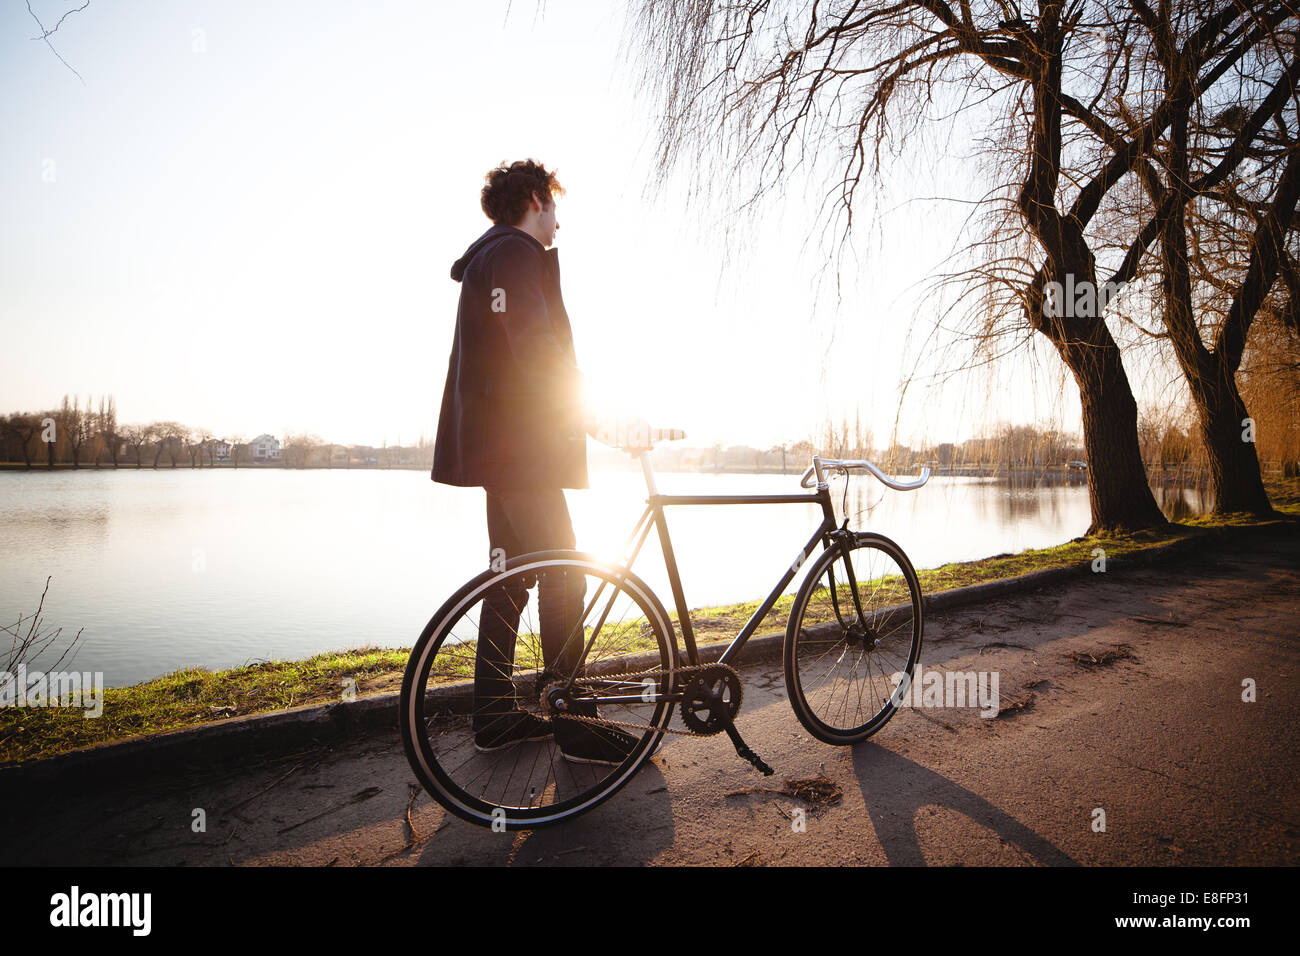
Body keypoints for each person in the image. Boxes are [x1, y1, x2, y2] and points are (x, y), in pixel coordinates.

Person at [432, 159, 637, 765]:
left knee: (513, 576)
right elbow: (538, 349)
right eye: (554, 205)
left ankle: (493, 716)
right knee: (566, 568)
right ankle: (575, 724)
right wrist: (603, 416)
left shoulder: (495, 257)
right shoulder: (515, 254)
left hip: (504, 448)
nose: (558, 222)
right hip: (522, 449)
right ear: (533, 200)